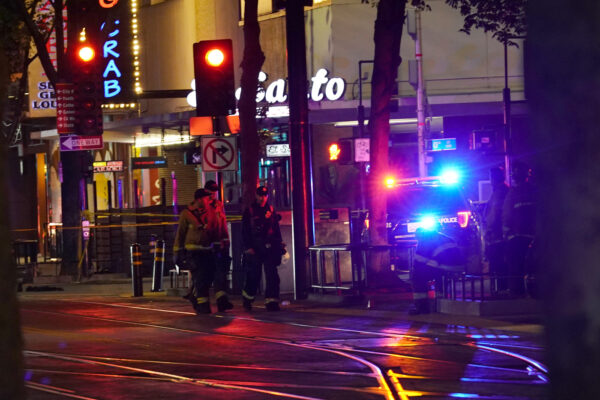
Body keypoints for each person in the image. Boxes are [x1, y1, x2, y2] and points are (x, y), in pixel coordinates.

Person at [173, 188, 232, 314]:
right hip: (194, 252)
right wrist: (177, 253)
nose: (208, 200)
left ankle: (197, 299)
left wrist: (220, 246)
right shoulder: (186, 214)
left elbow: (216, 230)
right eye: (206, 198)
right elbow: (180, 234)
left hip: (208, 251)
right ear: (199, 199)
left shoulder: (211, 212)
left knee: (209, 277)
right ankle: (202, 306)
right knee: (200, 279)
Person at [241, 186, 286, 311]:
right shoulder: (250, 211)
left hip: (270, 247)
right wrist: (248, 247)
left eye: (265, 195)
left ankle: (272, 302)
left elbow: (275, 228)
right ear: (256, 195)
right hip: (255, 247)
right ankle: (247, 299)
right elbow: (245, 231)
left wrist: (280, 243)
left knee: (272, 275)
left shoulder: (271, 210)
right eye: (260, 195)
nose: (263, 198)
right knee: (254, 275)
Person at [409, 228, 465, 315]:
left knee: (418, 277)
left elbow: (419, 259)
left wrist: (414, 272)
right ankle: (439, 301)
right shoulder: (444, 237)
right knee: (437, 277)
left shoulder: (425, 240)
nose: (416, 237)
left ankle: (421, 307)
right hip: (456, 267)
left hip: (443, 266)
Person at [502, 161, 536, 296]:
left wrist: (507, 234)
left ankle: (517, 293)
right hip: (532, 236)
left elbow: (506, 215)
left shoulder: (513, 193)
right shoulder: (534, 191)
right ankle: (532, 292)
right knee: (530, 266)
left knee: (515, 265)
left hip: (516, 236)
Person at [204, 179, 234, 312]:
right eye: (210, 192)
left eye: (214, 193)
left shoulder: (219, 205)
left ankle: (222, 301)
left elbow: (223, 223)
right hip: (205, 246)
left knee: (220, 273)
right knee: (206, 275)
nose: (212, 195)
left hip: (218, 245)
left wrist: (226, 240)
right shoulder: (201, 205)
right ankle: (197, 298)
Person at [483, 166, 509, 292]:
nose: (490, 180)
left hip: (497, 235)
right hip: (498, 234)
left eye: (491, 176)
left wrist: (489, 231)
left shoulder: (500, 192)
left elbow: (495, 214)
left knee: (498, 264)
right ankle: (499, 288)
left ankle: (500, 289)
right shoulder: (500, 191)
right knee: (498, 263)